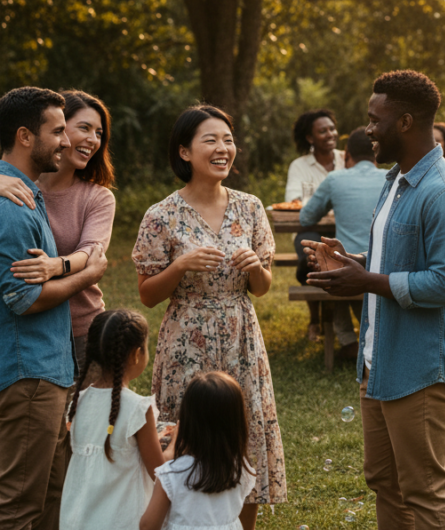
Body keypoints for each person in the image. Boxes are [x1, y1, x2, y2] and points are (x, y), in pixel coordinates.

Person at [306, 70, 445, 530]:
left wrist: (367, 281)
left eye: (373, 119)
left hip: (419, 365)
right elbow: (394, 255)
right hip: (378, 360)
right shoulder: (396, 181)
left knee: (423, 490)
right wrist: (350, 261)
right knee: (385, 481)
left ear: (404, 122)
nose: (366, 130)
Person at [133, 105, 286, 527]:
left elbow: (263, 287)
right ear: (184, 152)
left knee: (245, 434)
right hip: (187, 338)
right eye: (210, 140)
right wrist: (180, 266)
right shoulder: (161, 216)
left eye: (228, 140)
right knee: (188, 439)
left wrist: (256, 267)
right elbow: (147, 295)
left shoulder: (250, 207)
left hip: (241, 335)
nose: (223, 148)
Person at [0, 86, 108, 530]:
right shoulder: (15, 208)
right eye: (58, 131)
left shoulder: (26, 194)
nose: (67, 142)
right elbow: (23, 299)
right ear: (26, 136)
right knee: (19, 507)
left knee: (52, 497)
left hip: (50, 368)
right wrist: (86, 275)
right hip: (30, 375)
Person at [0, 89, 116, 371]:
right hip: (28, 331)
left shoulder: (98, 198)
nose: (93, 140)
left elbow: (92, 253)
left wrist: (56, 266)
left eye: (99, 133)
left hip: (82, 329)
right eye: (84, 128)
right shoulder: (15, 186)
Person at [61, 309, 174, 530]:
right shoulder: (139, 409)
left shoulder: (78, 403)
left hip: (76, 520)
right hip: (121, 521)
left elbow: (111, 445)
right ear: (136, 354)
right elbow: (158, 473)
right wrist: (175, 447)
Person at [298, 128, 386, 359]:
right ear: (376, 154)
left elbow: (306, 217)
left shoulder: (336, 179)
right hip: (383, 262)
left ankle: (348, 341)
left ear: (347, 155)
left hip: (345, 264)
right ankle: (369, 340)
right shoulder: (391, 178)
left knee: (333, 264)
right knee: (338, 264)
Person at [140, 371, 257, 530]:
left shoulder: (171, 474)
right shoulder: (241, 468)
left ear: (187, 421)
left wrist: (174, 446)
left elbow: (148, 526)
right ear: (237, 424)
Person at [285, 108, 343, 341]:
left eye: (332, 129)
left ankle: (334, 320)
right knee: (309, 254)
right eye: (322, 131)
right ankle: (315, 319)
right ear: (310, 138)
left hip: (341, 228)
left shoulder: (347, 158)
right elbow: (294, 202)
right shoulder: (299, 166)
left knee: (338, 256)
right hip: (310, 229)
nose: (330, 134)